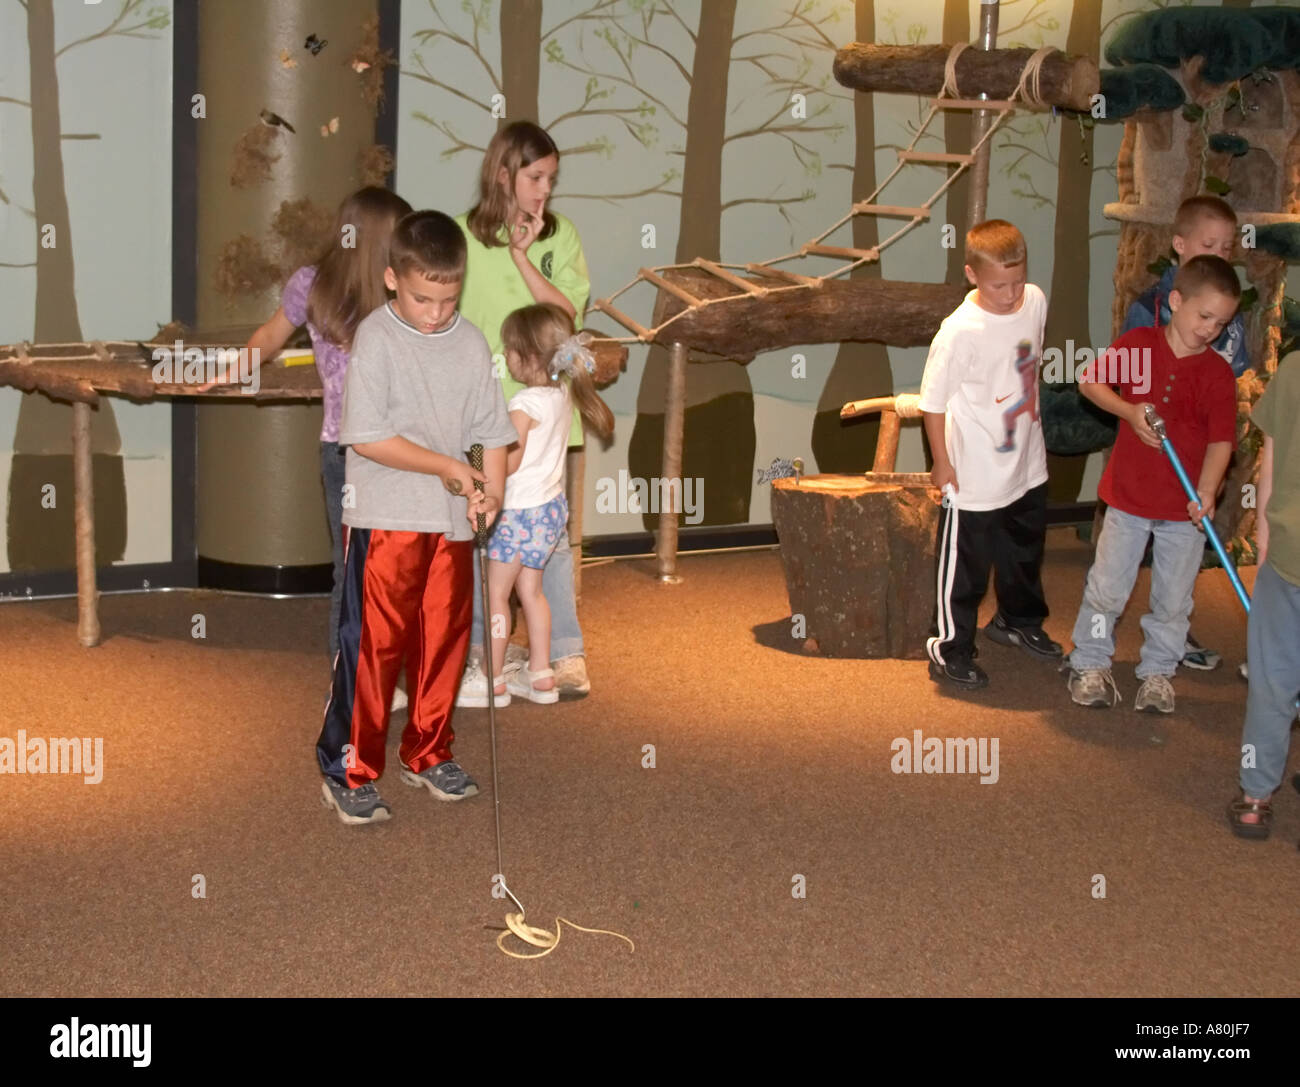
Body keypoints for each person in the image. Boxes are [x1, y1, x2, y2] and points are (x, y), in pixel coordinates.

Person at [315, 210, 517, 825]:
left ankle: (428, 751)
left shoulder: (472, 341)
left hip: (451, 523)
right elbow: (368, 437)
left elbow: (490, 433)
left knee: (444, 643)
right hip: (384, 518)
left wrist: (492, 487)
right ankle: (348, 767)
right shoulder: (376, 337)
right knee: (373, 646)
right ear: (391, 280)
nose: (435, 312)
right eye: (423, 298)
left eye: (447, 298)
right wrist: (447, 468)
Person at [223, 187, 413, 676]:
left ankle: (385, 673)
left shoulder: (404, 295)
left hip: (400, 451)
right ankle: (350, 680)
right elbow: (268, 336)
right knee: (352, 570)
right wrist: (229, 368)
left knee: (393, 570)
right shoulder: (310, 285)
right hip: (348, 454)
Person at [452, 121, 594, 707]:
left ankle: (564, 652)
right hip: (485, 415)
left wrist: (523, 254)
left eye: (552, 180)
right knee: (486, 528)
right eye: (536, 176)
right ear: (504, 172)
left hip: (547, 411)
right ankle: (492, 659)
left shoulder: (559, 237)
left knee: (547, 537)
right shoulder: (461, 235)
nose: (544, 190)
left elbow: (566, 319)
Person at [1065, 255, 1241, 713]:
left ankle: (1159, 672)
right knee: (1106, 590)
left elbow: (1222, 443)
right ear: (1176, 301)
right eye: (1204, 316)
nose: (1210, 329)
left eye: (1220, 323)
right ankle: (1090, 661)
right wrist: (1129, 410)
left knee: (1173, 600)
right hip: (1127, 500)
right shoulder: (1140, 345)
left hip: (1183, 512)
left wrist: (1206, 490)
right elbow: (1090, 382)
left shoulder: (1218, 374)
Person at [919, 219, 1061, 690]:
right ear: (972, 275)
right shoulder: (959, 332)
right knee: (966, 570)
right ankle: (949, 648)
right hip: (974, 475)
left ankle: (1017, 622)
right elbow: (933, 403)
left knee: (1024, 553)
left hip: (1027, 462)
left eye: (1019, 281)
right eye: (1000, 285)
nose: (1012, 293)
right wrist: (942, 462)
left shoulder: (1035, 300)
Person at [1120, 195, 1247, 672]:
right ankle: (1099, 645)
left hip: (1195, 454)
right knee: (1125, 555)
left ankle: (1171, 638)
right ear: (1180, 245)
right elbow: (1129, 380)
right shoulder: (1150, 310)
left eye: (1227, 246)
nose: (1219, 252)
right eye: (1208, 243)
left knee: (1179, 553)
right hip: (1150, 457)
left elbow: (1234, 369)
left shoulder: (1226, 308)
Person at [482, 305, 615, 705]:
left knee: (497, 597)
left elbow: (511, 461)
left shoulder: (523, 404)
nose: (505, 355)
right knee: (533, 592)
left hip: (515, 514)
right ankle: (541, 672)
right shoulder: (561, 395)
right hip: (548, 513)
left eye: (509, 349)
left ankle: (491, 677)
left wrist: (476, 457)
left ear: (529, 357)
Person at [1226, 352, 1300, 840]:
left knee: (1272, 680)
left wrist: (1267, 533)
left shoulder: (1293, 368)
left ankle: (1255, 797)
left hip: (1289, 552)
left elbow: (1270, 456)